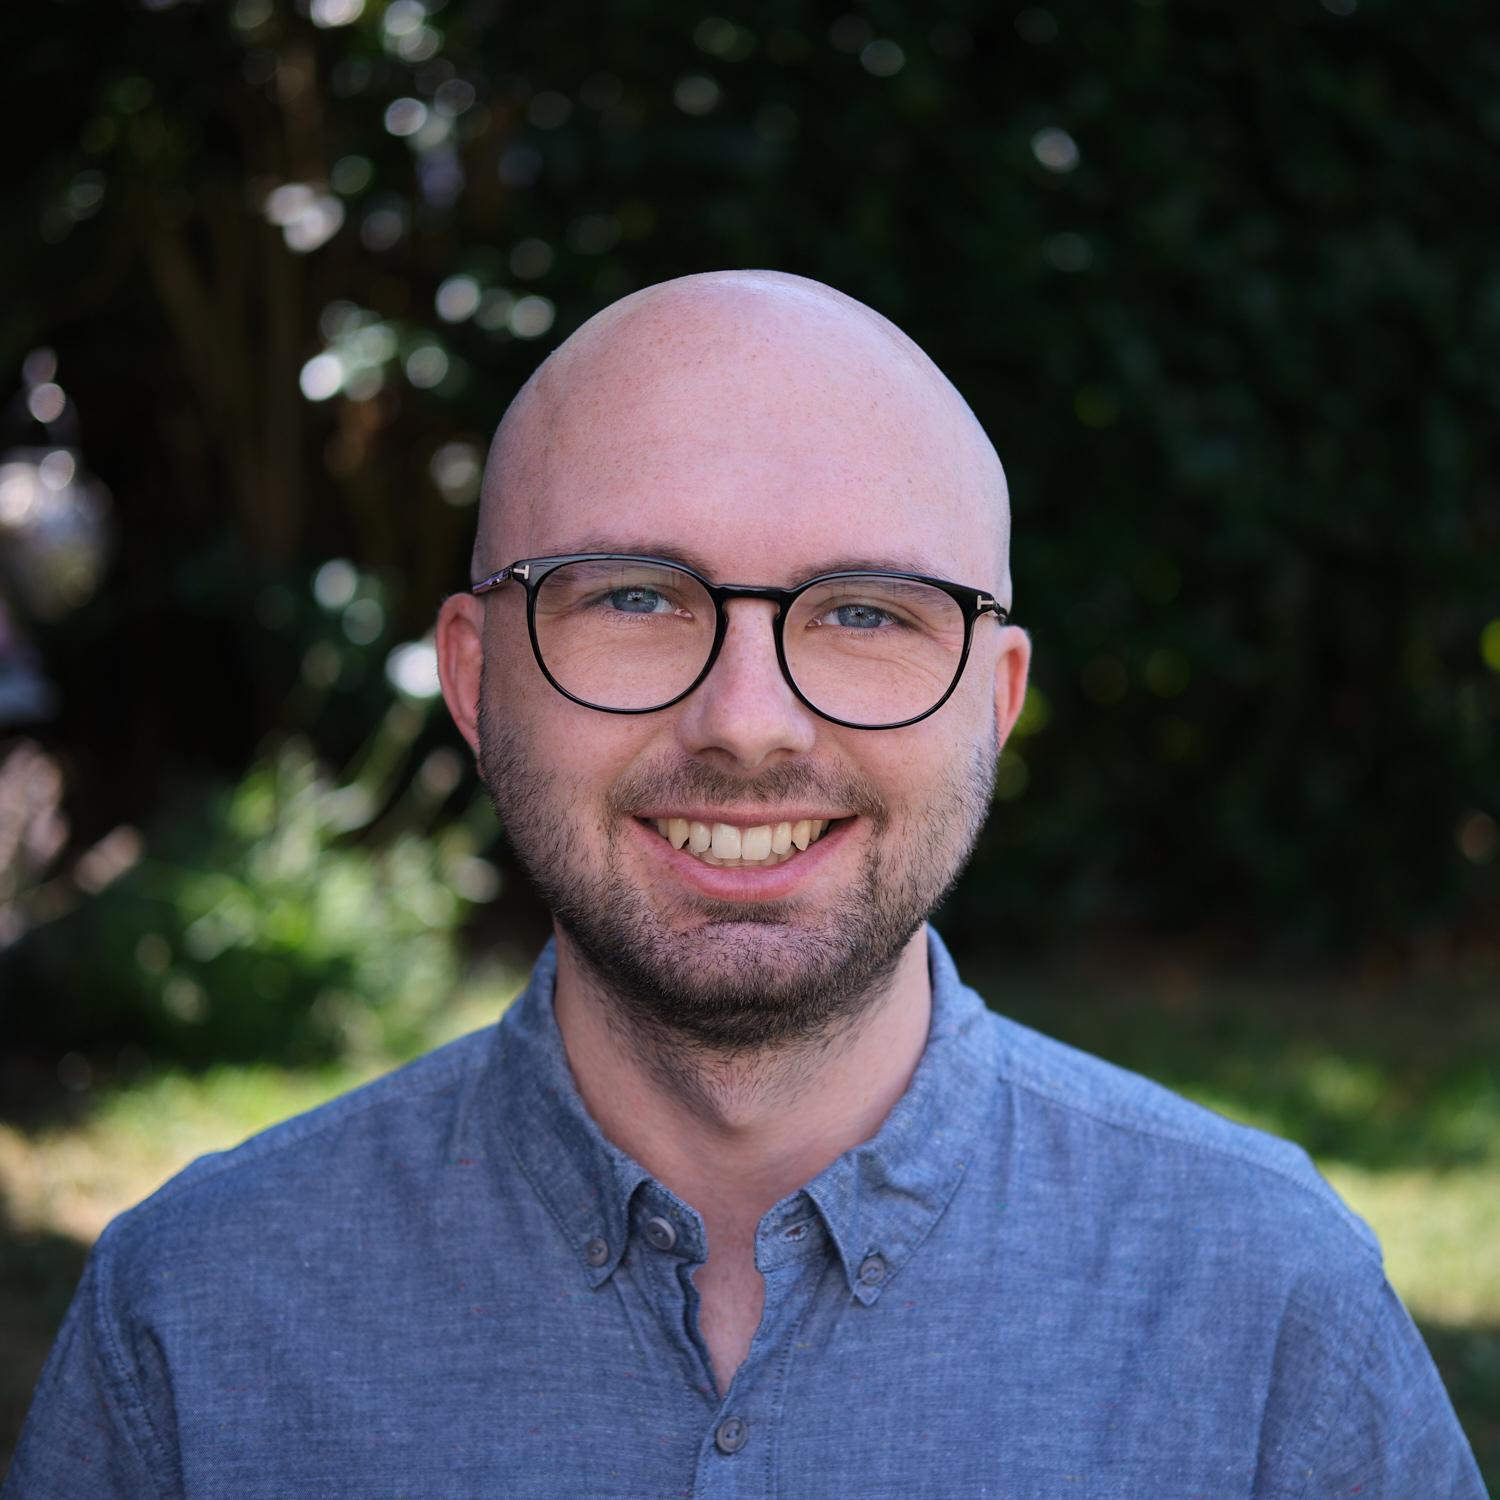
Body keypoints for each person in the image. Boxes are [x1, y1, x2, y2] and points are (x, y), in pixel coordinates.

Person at [5, 271, 1485, 1498]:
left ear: (994, 700)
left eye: (867, 613)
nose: (749, 724)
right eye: (634, 597)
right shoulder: (193, 1321)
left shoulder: (1268, 1309)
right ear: (475, 677)